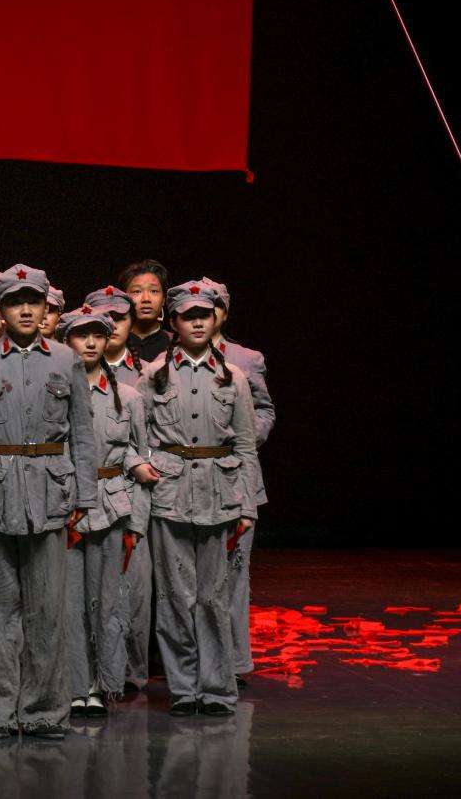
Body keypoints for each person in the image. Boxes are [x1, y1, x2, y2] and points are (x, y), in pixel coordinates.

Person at [0, 264, 99, 739]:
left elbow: (82, 431)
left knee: (47, 611)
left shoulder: (66, 360)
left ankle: (44, 711)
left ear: (45, 307)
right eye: (15, 302)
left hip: (49, 494)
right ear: (0, 310)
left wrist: (85, 493)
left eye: (33, 301)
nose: (25, 310)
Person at [137, 281, 258, 717]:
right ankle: (184, 687)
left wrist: (247, 505)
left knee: (214, 597)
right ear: (174, 322)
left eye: (204, 314)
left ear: (214, 318)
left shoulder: (234, 376)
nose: (198, 322)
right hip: (169, 494)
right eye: (189, 316)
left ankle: (217, 688)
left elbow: (245, 445)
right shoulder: (153, 375)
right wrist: (145, 466)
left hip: (218, 495)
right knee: (174, 596)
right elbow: (137, 437)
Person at [57, 305, 154, 716]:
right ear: (66, 341)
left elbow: (141, 459)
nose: (91, 342)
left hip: (111, 506)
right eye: (82, 335)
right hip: (65, 507)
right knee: (68, 603)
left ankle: (102, 683)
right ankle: (74, 684)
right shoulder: (56, 393)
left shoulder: (128, 397)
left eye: (98, 334)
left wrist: (137, 522)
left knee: (107, 600)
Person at [200, 276, 275, 690]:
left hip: (234, 476)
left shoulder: (246, 359)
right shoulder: (170, 358)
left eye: (211, 308)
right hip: (190, 478)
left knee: (233, 573)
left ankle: (232, 661)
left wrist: (240, 435)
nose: (202, 317)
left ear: (223, 314)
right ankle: (196, 660)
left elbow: (264, 411)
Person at [85, 285, 151, 691]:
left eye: (117, 319)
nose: (106, 330)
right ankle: (83, 682)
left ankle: (125, 677)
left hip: (122, 501)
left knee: (127, 595)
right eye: (97, 322)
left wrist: (137, 519)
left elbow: (140, 449)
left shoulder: (141, 378)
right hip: (79, 501)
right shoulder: (65, 377)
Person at [119, 260, 172, 363]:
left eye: (154, 291)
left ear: (163, 300)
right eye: (137, 291)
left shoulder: (178, 343)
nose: (146, 299)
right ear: (124, 299)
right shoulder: (112, 344)